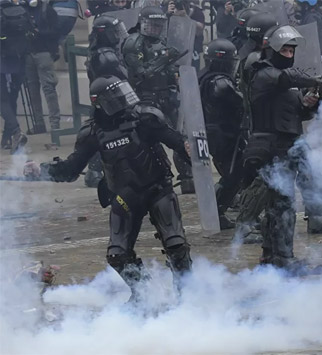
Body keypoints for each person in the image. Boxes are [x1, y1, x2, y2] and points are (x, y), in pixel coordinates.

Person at [24, 76, 194, 303]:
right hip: (125, 197)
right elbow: (71, 169)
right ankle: (144, 294)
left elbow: (176, 141)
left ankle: (188, 296)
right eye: (115, 96)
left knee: (176, 244)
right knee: (118, 255)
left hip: (158, 188)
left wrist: (191, 150)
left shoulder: (145, 117)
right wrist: (41, 170)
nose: (122, 99)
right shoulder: (92, 133)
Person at [245, 25, 322, 273]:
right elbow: (285, 78)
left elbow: (300, 113)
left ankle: (272, 257)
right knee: (282, 204)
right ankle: (282, 258)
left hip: (288, 145)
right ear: (272, 49)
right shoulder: (264, 73)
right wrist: (314, 79)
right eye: (284, 49)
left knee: (279, 205)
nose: (288, 53)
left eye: (291, 49)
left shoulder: (289, 83)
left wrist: (313, 101)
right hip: (270, 147)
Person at [122, 6, 195, 194]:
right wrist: (164, 59)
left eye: (159, 25)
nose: (155, 29)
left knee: (182, 137)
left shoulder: (162, 42)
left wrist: (177, 75)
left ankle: (189, 177)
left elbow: (169, 70)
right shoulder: (133, 43)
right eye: (151, 25)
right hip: (145, 99)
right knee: (149, 141)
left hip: (167, 96)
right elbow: (140, 74)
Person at [198, 39, 245, 230]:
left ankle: (217, 211)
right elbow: (240, 102)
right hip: (222, 134)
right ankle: (216, 212)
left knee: (233, 174)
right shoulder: (220, 82)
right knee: (234, 174)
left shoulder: (204, 76)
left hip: (216, 132)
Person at [83, 14, 129, 188]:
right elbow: (124, 75)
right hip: (108, 102)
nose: (118, 34)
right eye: (115, 31)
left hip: (109, 100)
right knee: (102, 134)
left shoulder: (101, 50)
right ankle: (94, 171)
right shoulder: (106, 56)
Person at [0, 0, 33, 153]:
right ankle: (7, 138)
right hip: (19, 60)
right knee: (12, 98)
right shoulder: (21, 10)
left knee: (2, 100)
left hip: (2, 59)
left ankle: (15, 132)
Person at [25, 0, 62, 132]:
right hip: (29, 53)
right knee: (32, 91)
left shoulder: (47, 10)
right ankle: (39, 124)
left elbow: (56, 31)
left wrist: (38, 32)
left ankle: (55, 125)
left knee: (49, 89)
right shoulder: (23, 10)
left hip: (44, 53)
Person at [166, 0, 205, 71]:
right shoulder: (168, 10)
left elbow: (199, 30)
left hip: (192, 48)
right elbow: (161, 29)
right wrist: (168, 14)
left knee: (192, 73)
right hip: (173, 48)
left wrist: (186, 17)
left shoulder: (196, 11)